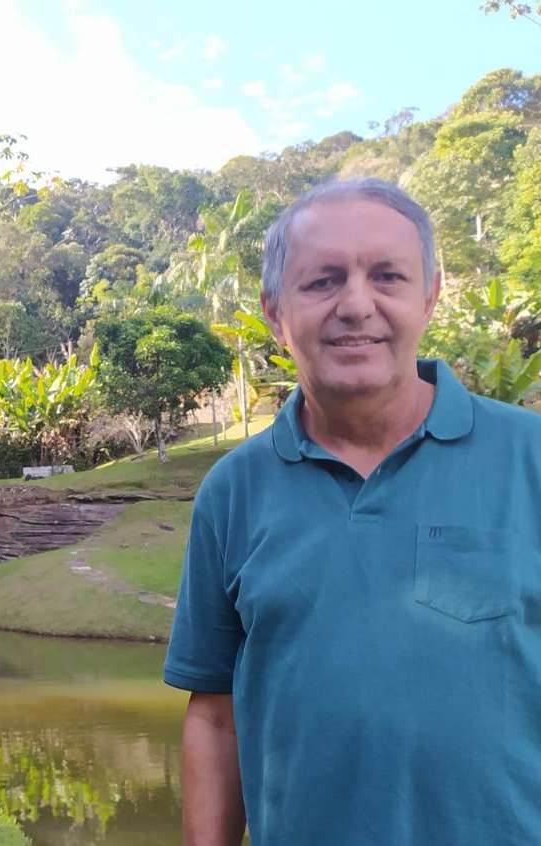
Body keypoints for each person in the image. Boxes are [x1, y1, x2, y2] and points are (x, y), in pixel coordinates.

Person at [164, 178, 541, 846]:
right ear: (275, 311)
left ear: (429, 297)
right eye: (323, 281)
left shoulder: (529, 457)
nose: (356, 305)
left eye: (387, 276)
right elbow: (215, 716)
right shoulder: (233, 492)